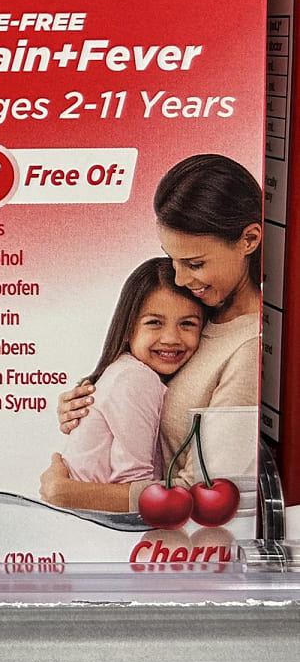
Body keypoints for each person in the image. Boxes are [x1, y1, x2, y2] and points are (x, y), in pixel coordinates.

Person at [42, 154, 261, 513]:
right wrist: (94, 408)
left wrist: (68, 493)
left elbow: (209, 492)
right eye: (172, 259)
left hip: (175, 536)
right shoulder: (199, 310)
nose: (180, 279)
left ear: (249, 240)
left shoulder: (249, 348)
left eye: (194, 264)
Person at [59, 258, 203, 486]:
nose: (171, 339)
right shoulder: (136, 379)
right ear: (127, 328)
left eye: (187, 324)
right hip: (94, 508)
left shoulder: (129, 373)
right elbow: (133, 481)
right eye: (154, 322)